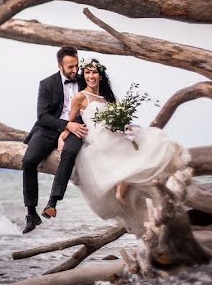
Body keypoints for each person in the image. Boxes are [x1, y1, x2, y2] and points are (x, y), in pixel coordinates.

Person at [61, 58, 189, 221]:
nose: (91, 76)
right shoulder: (80, 97)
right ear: (83, 75)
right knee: (119, 150)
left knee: (148, 141)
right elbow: (70, 121)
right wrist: (62, 137)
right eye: (87, 72)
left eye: (94, 72)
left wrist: (129, 134)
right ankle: (121, 193)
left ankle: (138, 191)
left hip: (113, 132)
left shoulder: (107, 97)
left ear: (100, 75)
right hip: (96, 137)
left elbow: (122, 123)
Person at [20, 46, 87, 234]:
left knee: (70, 152)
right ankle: (31, 213)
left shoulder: (85, 80)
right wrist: (66, 125)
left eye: (77, 65)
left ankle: (52, 202)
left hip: (77, 128)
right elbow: (42, 116)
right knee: (28, 161)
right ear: (60, 66)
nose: (75, 70)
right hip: (48, 128)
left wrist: (72, 127)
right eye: (70, 67)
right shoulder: (46, 84)